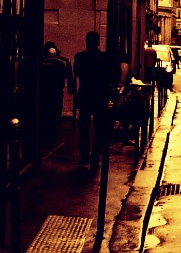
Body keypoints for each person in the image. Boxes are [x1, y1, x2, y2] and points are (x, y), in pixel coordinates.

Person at [73, 31, 120, 175]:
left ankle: (84, 155)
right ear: (98, 42)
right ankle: (94, 158)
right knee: (99, 128)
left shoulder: (80, 57)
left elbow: (77, 74)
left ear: (87, 42)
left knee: (84, 127)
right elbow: (116, 72)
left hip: (85, 95)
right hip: (99, 96)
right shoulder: (104, 58)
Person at [39, 42, 73, 144]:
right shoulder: (60, 64)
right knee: (55, 107)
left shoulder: (43, 64)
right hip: (56, 89)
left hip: (47, 89)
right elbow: (67, 76)